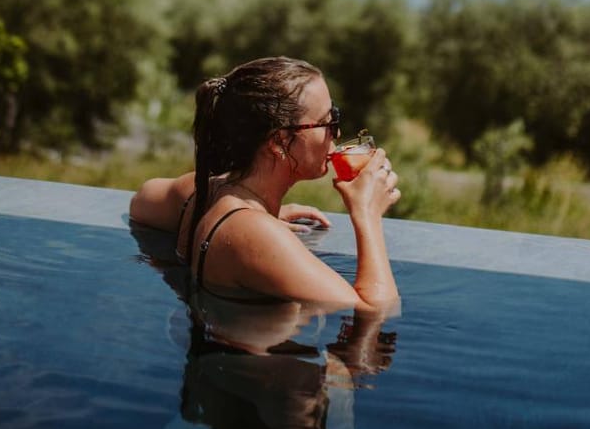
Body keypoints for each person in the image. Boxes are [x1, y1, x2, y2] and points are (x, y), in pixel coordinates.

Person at [129, 56, 400, 311]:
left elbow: (141, 200)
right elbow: (376, 312)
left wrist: (265, 210)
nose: (337, 132)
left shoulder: (208, 191)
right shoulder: (256, 234)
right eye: (326, 122)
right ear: (279, 142)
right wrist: (367, 214)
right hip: (255, 362)